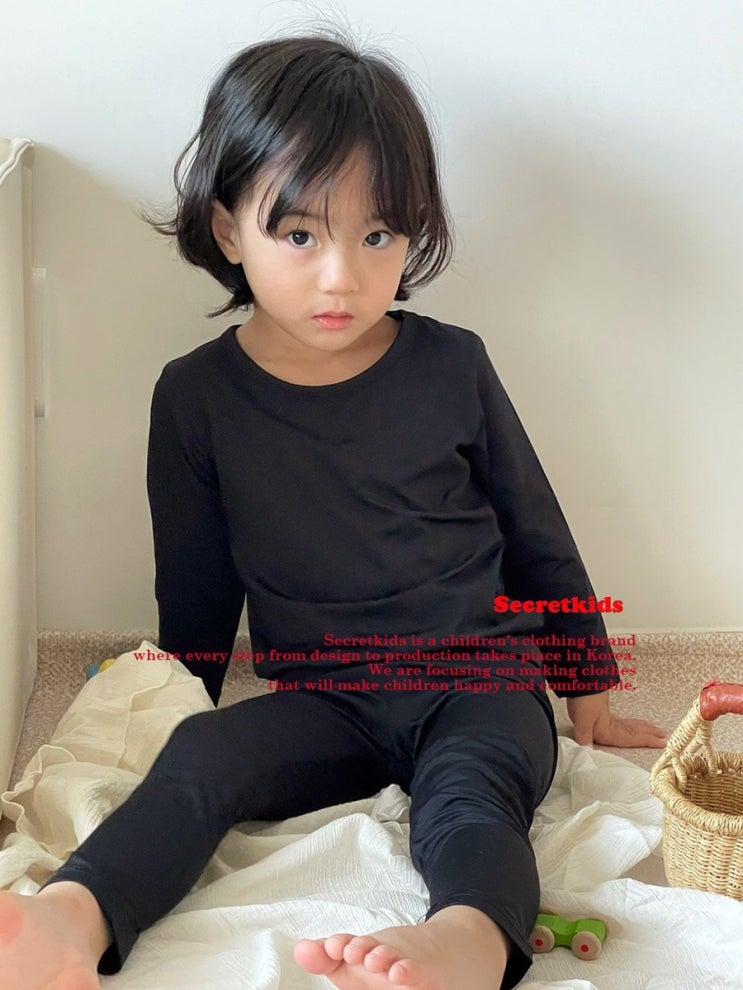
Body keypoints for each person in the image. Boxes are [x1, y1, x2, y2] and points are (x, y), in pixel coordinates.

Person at [0, 28, 667, 990]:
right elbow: (195, 580)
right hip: (323, 696)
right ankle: (71, 916)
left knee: (472, 795)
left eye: (377, 236)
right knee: (202, 755)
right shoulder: (196, 397)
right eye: (300, 234)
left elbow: (535, 533)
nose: (341, 276)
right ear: (230, 231)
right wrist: (179, 693)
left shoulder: (452, 365)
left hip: (478, 677)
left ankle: (468, 942)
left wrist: (585, 689)